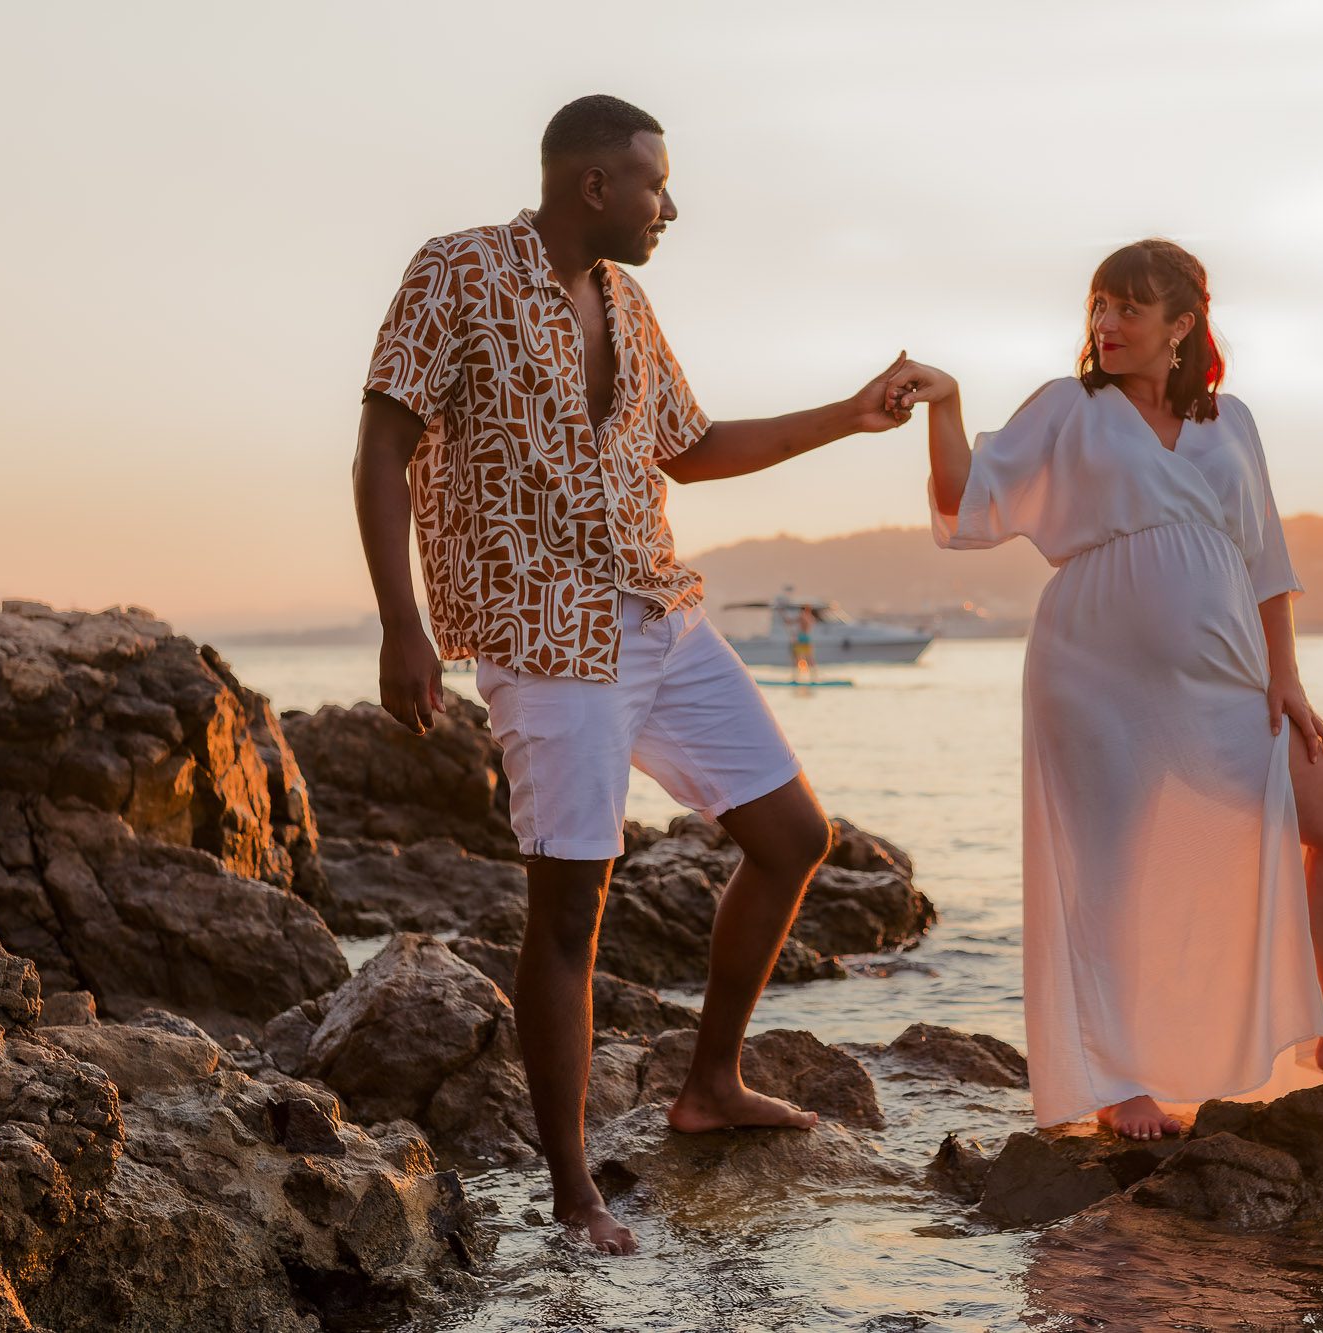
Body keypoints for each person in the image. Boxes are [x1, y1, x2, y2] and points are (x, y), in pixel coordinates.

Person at [351, 94, 914, 1254]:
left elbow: (689, 448)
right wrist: (400, 625)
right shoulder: (457, 271)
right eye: (656, 183)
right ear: (594, 184)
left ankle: (711, 1082)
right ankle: (574, 1192)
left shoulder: (627, 298)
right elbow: (381, 443)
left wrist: (849, 416)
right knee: (570, 912)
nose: (672, 204)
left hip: (659, 611)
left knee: (793, 834)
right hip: (542, 633)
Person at [887, 238, 1323, 1142]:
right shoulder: (1070, 408)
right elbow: (966, 498)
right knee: (1107, 870)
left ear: (1182, 325)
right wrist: (944, 405)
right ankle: (1118, 1076)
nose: (1107, 324)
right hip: (1091, 674)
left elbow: (1267, 562)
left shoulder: (1235, 426)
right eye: (1099, 306)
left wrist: (1288, 678)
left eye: (1130, 308)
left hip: (1227, 677)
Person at [790, 604, 818, 682]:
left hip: (801, 638)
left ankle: (795, 678)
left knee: (797, 658)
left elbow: (790, 622)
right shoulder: (811, 618)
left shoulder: (802, 616)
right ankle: (814, 678)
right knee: (809, 658)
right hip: (807, 638)